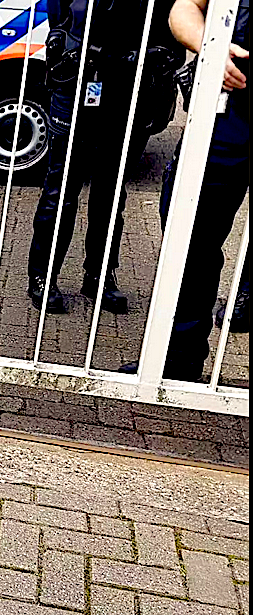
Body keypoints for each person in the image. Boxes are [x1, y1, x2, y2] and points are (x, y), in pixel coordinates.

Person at [27, 0, 183, 314]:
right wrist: (67, 42)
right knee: (62, 187)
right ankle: (43, 275)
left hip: (134, 84)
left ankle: (99, 276)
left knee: (111, 190)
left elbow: (176, 19)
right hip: (79, 74)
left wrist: (162, 58)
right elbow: (60, 13)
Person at [120, 0, 249, 380]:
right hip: (227, 115)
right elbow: (185, 9)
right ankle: (179, 362)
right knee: (189, 235)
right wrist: (211, 45)